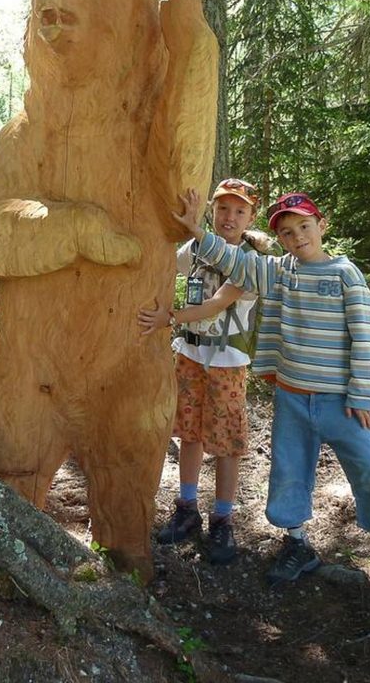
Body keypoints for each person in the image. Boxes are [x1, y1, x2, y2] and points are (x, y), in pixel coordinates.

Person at [169, 189, 370, 598]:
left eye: (304, 226)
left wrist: (362, 395)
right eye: (287, 232)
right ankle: (297, 543)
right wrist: (197, 230)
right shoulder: (279, 271)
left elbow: (365, 338)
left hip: (340, 401)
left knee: (368, 471)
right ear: (279, 239)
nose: (297, 236)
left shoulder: (345, 274)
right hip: (292, 395)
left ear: (322, 225)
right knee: (289, 472)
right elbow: (236, 261)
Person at [139, 178, 269, 565]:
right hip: (191, 355)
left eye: (240, 211)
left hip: (227, 362)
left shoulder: (250, 261)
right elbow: (164, 262)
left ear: (251, 218)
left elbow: (215, 304)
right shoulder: (196, 249)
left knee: (226, 441)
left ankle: (223, 519)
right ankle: (187, 507)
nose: (230, 217)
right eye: (223, 208)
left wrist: (168, 318)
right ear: (212, 211)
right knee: (190, 432)